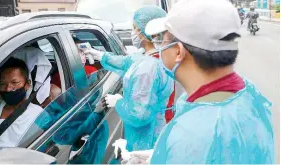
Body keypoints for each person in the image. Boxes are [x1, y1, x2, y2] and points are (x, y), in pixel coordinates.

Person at [142, 0, 274, 163]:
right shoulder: (249, 94)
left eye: (161, 41)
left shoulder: (190, 137)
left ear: (178, 51)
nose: (159, 48)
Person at [83, 6, 174, 152]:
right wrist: (100, 55)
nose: (133, 32)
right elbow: (126, 62)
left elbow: (139, 115)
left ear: (147, 31)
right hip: (158, 129)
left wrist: (118, 101)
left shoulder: (147, 69)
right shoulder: (152, 56)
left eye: (135, 28)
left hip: (147, 140)